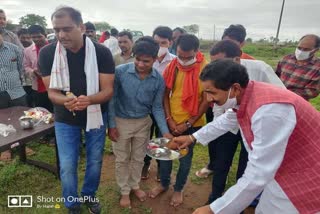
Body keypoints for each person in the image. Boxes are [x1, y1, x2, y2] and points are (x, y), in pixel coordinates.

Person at [171, 59, 320, 214]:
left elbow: (259, 172)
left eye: (212, 92)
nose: (208, 99)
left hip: (305, 179)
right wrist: (191, 138)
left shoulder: (269, 112)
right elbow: (227, 120)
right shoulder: (248, 93)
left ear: (235, 88)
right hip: (283, 170)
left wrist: (215, 209)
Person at [38, 6, 115, 214]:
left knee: (95, 160)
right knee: (67, 164)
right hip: (65, 117)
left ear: (81, 27)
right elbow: (52, 93)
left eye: (67, 29)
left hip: (96, 114)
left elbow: (108, 90)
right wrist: (66, 101)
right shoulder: (47, 53)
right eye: (56, 30)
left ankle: (89, 196)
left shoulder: (101, 52)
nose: (61, 35)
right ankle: (72, 204)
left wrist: (89, 100)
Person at [196, 40, 285, 208]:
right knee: (221, 162)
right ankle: (216, 198)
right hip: (230, 127)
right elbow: (229, 115)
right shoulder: (237, 96)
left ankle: (238, 204)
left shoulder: (265, 101)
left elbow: (259, 171)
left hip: (256, 131)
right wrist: (194, 137)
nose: (217, 68)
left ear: (236, 60)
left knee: (247, 168)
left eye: (221, 63)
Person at [107, 36, 173, 208]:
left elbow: (157, 107)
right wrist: (112, 125)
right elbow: (111, 100)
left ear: (154, 59)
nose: (141, 64)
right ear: (134, 56)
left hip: (143, 123)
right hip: (121, 122)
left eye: (146, 61)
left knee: (138, 157)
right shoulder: (120, 72)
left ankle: (134, 185)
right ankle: (124, 191)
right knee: (122, 158)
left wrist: (165, 131)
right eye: (138, 59)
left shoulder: (158, 79)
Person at [149, 34, 209, 207]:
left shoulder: (205, 69)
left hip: (192, 124)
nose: (183, 60)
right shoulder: (173, 66)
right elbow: (165, 95)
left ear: (197, 51)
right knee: (165, 155)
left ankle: (178, 189)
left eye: (188, 57)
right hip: (170, 122)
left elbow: (206, 101)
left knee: (185, 158)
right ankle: (164, 184)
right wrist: (169, 119)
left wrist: (188, 124)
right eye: (180, 55)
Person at [141, 26, 176, 181]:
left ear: (170, 42)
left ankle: (162, 170)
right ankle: (145, 164)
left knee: (162, 138)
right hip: (145, 108)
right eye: (157, 42)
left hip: (165, 108)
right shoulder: (145, 60)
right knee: (145, 138)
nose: (160, 46)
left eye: (163, 43)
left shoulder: (175, 62)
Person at [0, 30, 27, 161]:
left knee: (21, 118)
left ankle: (23, 146)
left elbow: (21, 67)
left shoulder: (14, 49)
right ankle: (6, 149)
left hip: (16, 91)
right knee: (2, 121)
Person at [276, 34, 320, 100]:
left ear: (315, 50)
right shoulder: (286, 59)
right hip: (276, 95)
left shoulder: (317, 67)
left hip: (295, 101)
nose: (301, 51)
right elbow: (276, 76)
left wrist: (286, 93)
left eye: (306, 49)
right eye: (299, 48)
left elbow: (312, 91)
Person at [24, 25, 53, 112]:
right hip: (38, 86)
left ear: (45, 35)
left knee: (56, 110)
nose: (36, 39)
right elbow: (26, 66)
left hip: (54, 85)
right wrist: (33, 71)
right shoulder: (27, 50)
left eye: (39, 36)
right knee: (42, 111)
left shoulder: (54, 48)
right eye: (33, 37)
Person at [18, 28, 34, 107]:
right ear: (18, 38)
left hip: (33, 82)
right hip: (20, 83)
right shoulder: (16, 49)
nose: (26, 40)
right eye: (23, 38)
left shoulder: (34, 49)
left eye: (28, 38)